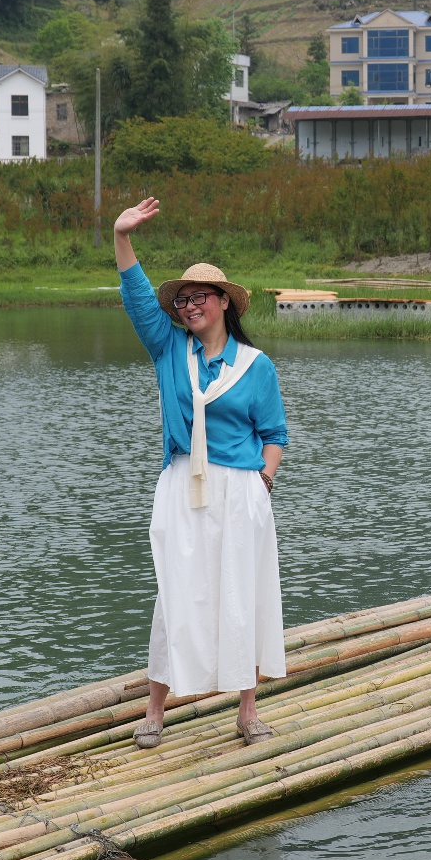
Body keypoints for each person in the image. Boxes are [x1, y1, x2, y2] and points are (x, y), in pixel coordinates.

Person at [114, 197, 289, 749]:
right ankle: (155, 711)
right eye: (183, 300)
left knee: (242, 593)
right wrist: (122, 236)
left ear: (223, 302)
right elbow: (138, 299)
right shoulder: (170, 349)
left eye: (199, 298)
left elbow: (275, 435)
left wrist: (263, 481)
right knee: (176, 593)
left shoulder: (255, 366)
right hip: (182, 483)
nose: (189, 307)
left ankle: (247, 710)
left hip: (239, 489)